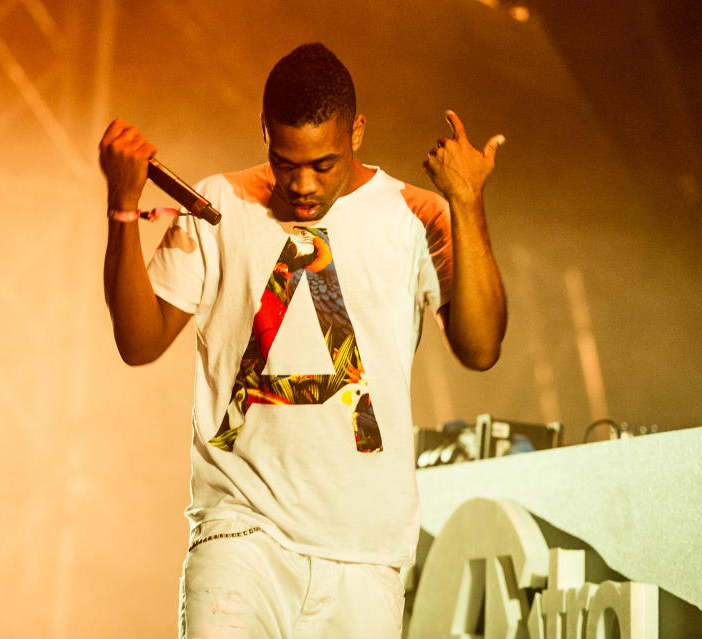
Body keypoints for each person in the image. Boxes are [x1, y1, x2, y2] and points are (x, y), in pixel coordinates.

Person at [99, 42, 506, 638]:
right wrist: (123, 204)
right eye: (287, 163)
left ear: (358, 132)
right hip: (240, 533)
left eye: (324, 164)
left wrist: (466, 201)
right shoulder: (220, 203)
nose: (304, 186)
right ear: (264, 130)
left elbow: (481, 348)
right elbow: (138, 342)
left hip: (364, 552)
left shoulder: (413, 214)